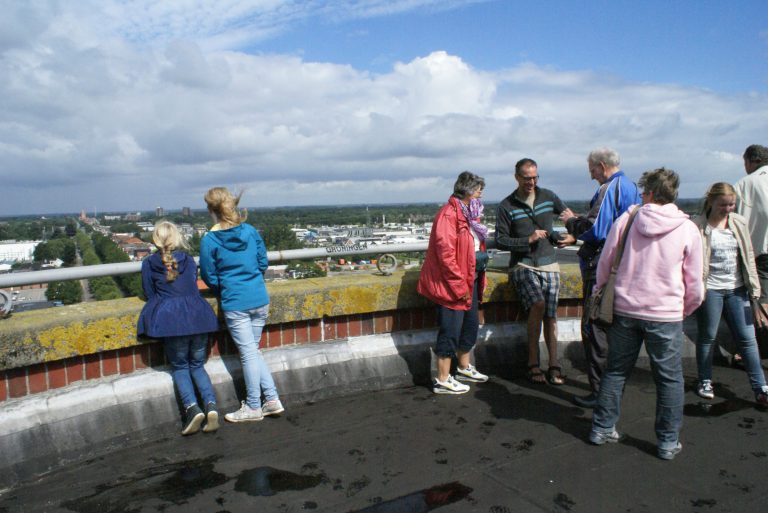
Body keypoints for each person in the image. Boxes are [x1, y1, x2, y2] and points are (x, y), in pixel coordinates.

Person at [589, 168, 703, 461]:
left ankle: (601, 427)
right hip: (665, 314)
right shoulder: (688, 228)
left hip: (626, 308)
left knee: (616, 371)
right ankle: (667, 442)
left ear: (650, 192)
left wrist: (600, 294)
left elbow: (605, 263)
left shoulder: (627, 219)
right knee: (669, 379)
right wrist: (681, 309)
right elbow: (695, 284)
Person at [559, 148, 641, 408]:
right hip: (626, 264)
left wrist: (572, 222)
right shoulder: (632, 187)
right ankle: (613, 388)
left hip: (602, 266)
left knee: (594, 327)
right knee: (615, 329)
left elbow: (595, 228)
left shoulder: (610, 188)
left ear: (602, 166)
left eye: (592, 170)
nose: (591, 175)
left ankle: (601, 394)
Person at [200, 187, 285, 422]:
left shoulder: (210, 240)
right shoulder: (249, 231)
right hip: (259, 297)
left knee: (248, 354)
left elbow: (209, 275)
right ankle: (272, 399)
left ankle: (254, 407)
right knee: (252, 351)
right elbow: (262, 263)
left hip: (235, 301)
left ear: (212, 210)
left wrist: (225, 287)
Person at [138, 221, 221, 435]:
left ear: (155, 239)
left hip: (172, 321)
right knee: (197, 365)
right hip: (198, 316)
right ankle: (211, 405)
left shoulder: (149, 263)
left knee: (181, 367)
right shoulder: (189, 261)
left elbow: (149, 293)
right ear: (177, 237)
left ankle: (192, 409)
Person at [693, 183, 768, 405]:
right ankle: (705, 379)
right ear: (711, 202)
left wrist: (755, 291)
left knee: (747, 338)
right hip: (711, 289)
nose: (728, 209)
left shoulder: (738, 223)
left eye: (732, 204)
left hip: (737, 289)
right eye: (723, 204)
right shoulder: (698, 225)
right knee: (707, 336)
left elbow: (748, 257)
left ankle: (760, 386)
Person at [495, 158, 567, 385]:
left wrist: (573, 232)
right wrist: (528, 239)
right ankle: (533, 363)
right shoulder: (507, 205)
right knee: (538, 304)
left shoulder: (548, 196)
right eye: (527, 178)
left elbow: (568, 215)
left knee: (551, 315)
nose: (532, 182)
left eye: (535, 177)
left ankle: (554, 364)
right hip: (523, 264)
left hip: (549, 262)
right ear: (517, 177)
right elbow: (500, 240)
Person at [417, 171, 489, 394]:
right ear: (468, 191)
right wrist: (460, 287)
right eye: (478, 191)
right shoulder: (448, 215)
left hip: (470, 278)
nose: (480, 195)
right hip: (453, 284)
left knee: (469, 325)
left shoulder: (469, 214)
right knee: (450, 330)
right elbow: (446, 256)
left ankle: (464, 366)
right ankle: (442, 379)